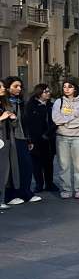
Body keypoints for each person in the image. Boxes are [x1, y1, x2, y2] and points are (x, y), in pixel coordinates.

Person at [2, 78, 40, 204]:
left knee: (27, 166)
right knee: (12, 168)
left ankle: (26, 192)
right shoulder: (4, 103)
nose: (19, 88)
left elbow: (26, 122)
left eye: (20, 86)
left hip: (22, 137)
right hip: (9, 138)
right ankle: (11, 195)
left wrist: (29, 139)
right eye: (15, 86)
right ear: (8, 88)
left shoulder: (21, 102)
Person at [50, 80, 79, 199]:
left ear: (75, 89)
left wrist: (66, 122)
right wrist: (73, 116)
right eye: (64, 87)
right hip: (62, 137)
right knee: (64, 165)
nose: (66, 89)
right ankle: (66, 189)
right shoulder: (59, 102)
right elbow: (56, 119)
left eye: (70, 87)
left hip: (78, 137)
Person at [25, 84, 57, 193]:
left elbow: (55, 121)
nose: (48, 93)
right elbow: (28, 123)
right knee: (37, 163)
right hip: (36, 139)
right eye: (46, 91)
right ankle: (39, 184)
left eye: (49, 91)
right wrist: (30, 139)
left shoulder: (51, 105)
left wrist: (50, 133)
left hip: (49, 138)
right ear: (39, 93)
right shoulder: (31, 105)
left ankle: (49, 183)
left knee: (49, 163)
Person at [0, 82, 19, 210]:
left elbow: (14, 125)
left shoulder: (5, 103)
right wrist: (1, 118)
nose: (3, 88)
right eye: (0, 87)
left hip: (6, 140)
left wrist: (13, 118)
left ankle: (2, 199)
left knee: (4, 171)